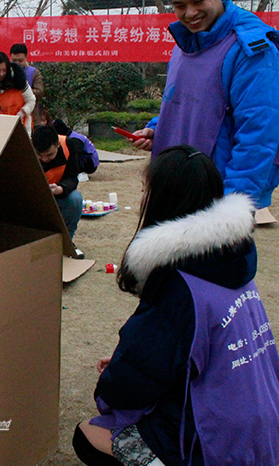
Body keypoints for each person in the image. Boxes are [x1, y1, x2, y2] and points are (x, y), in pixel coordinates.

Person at [73, 145, 279, 466]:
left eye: (146, 191)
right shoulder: (232, 262)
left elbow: (130, 382)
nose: (143, 199)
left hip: (221, 443)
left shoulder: (181, 285)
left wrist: (116, 375)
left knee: (87, 435)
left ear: (165, 201)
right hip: (263, 432)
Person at [131, 0, 279, 209]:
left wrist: (231, 208)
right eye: (180, 5)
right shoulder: (186, 40)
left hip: (214, 196)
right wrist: (159, 129)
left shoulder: (251, 50)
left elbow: (258, 136)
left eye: (198, 1)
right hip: (175, 185)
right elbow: (186, 102)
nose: (190, 13)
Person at [31, 125, 84, 256]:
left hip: (58, 194)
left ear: (58, 145)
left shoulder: (69, 145)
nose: (44, 159)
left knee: (75, 199)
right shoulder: (25, 148)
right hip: (32, 196)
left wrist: (60, 189)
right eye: (39, 155)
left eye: (50, 154)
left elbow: (72, 177)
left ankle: (66, 243)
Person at [10, 43, 49, 126]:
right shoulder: (5, 72)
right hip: (10, 115)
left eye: (20, 61)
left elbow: (39, 92)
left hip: (32, 117)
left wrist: (24, 92)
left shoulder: (34, 73)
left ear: (26, 58)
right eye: (14, 61)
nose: (17, 64)